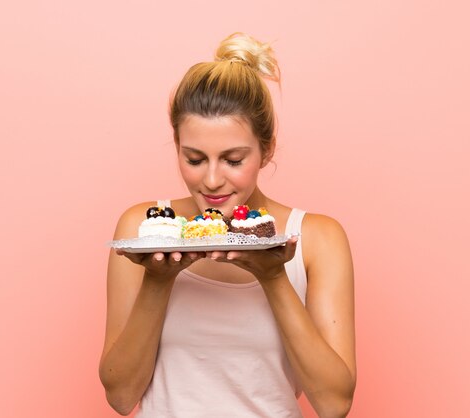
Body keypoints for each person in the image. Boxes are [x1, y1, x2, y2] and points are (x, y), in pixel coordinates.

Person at [99, 33, 356, 418]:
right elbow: (120, 397)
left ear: (265, 150)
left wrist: (273, 278)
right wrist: (157, 279)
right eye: (195, 158)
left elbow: (335, 404)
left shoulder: (318, 238)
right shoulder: (146, 228)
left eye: (233, 159)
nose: (213, 180)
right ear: (177, 145)